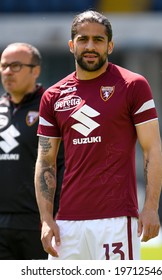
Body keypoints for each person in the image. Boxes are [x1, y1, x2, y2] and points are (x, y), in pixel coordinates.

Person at [34, 10, 162, 260]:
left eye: (98, 40)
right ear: (72, 45)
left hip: (115, 221)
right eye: (83, 39)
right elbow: (45, 161)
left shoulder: (133, 85)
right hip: (66, 224)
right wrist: (46, 218)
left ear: (110, 46)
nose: (90, 46)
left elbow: (152, 150)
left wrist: (150, 207)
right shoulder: (52, 96)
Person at [0, 42, 64, 260]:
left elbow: (63, 164)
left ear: (35, 70)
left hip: (38, 224)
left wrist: (54, 216)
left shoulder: (52, 107)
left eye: (16, 66)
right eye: (4, 66)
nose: (8, 72)